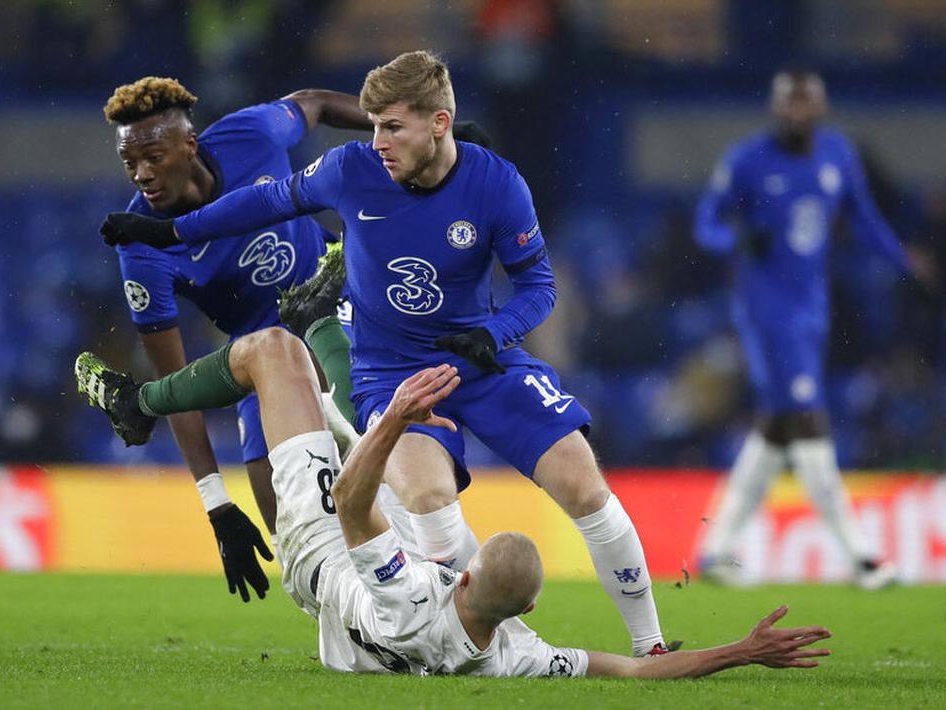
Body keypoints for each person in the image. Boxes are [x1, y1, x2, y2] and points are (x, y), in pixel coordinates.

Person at [95, 51, 674, 656]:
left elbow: (539, 286)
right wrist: (172, 233)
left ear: (440, 123)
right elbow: (271, 199)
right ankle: (491, 646)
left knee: (584, 485)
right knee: (421, 499)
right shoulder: (350, 168)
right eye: (371, 125)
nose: (376, 142)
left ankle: (651, 644)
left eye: (391, 127)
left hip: (477, 356)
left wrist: (495, 335)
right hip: (387, 371)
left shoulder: (497, 182)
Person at [73, 329, 832, 677]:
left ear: (465, 577)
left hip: (321, 551)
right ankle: (338, 335)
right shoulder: (517, 658)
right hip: (372, 575)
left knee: (274, 351)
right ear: (519, 613)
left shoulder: (410, 594)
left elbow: (347, 499)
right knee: (373, 425)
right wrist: (739, 653)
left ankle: (141, 402)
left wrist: (397, 417)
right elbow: (634, 675)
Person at [101, 76, 375, 603]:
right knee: (278, 512)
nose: (142, 175)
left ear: (190, 144)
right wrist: (216, 506)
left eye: (153, 157)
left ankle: (422, 573)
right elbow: (175, 386)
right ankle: (345, 616)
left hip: (340, 294)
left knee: (356, 413)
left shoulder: (250, 134)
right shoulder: (141, 247)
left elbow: (313, 102)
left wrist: (391, 125)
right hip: (261, 350)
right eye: (130, 164)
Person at [693, 68, 928, 589]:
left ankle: (715, 550)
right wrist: (735, 242)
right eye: (789, 103)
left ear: (818, 108)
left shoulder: (837, 155)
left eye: (807, 104)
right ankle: (862, 557)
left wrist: (905, 261)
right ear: (776, 107)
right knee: (807, 419)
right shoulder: (747, 160)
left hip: (811, 309)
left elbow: (863, 218)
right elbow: (705, 222)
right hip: (765, 311)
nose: (798, 112)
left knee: (778, 428)